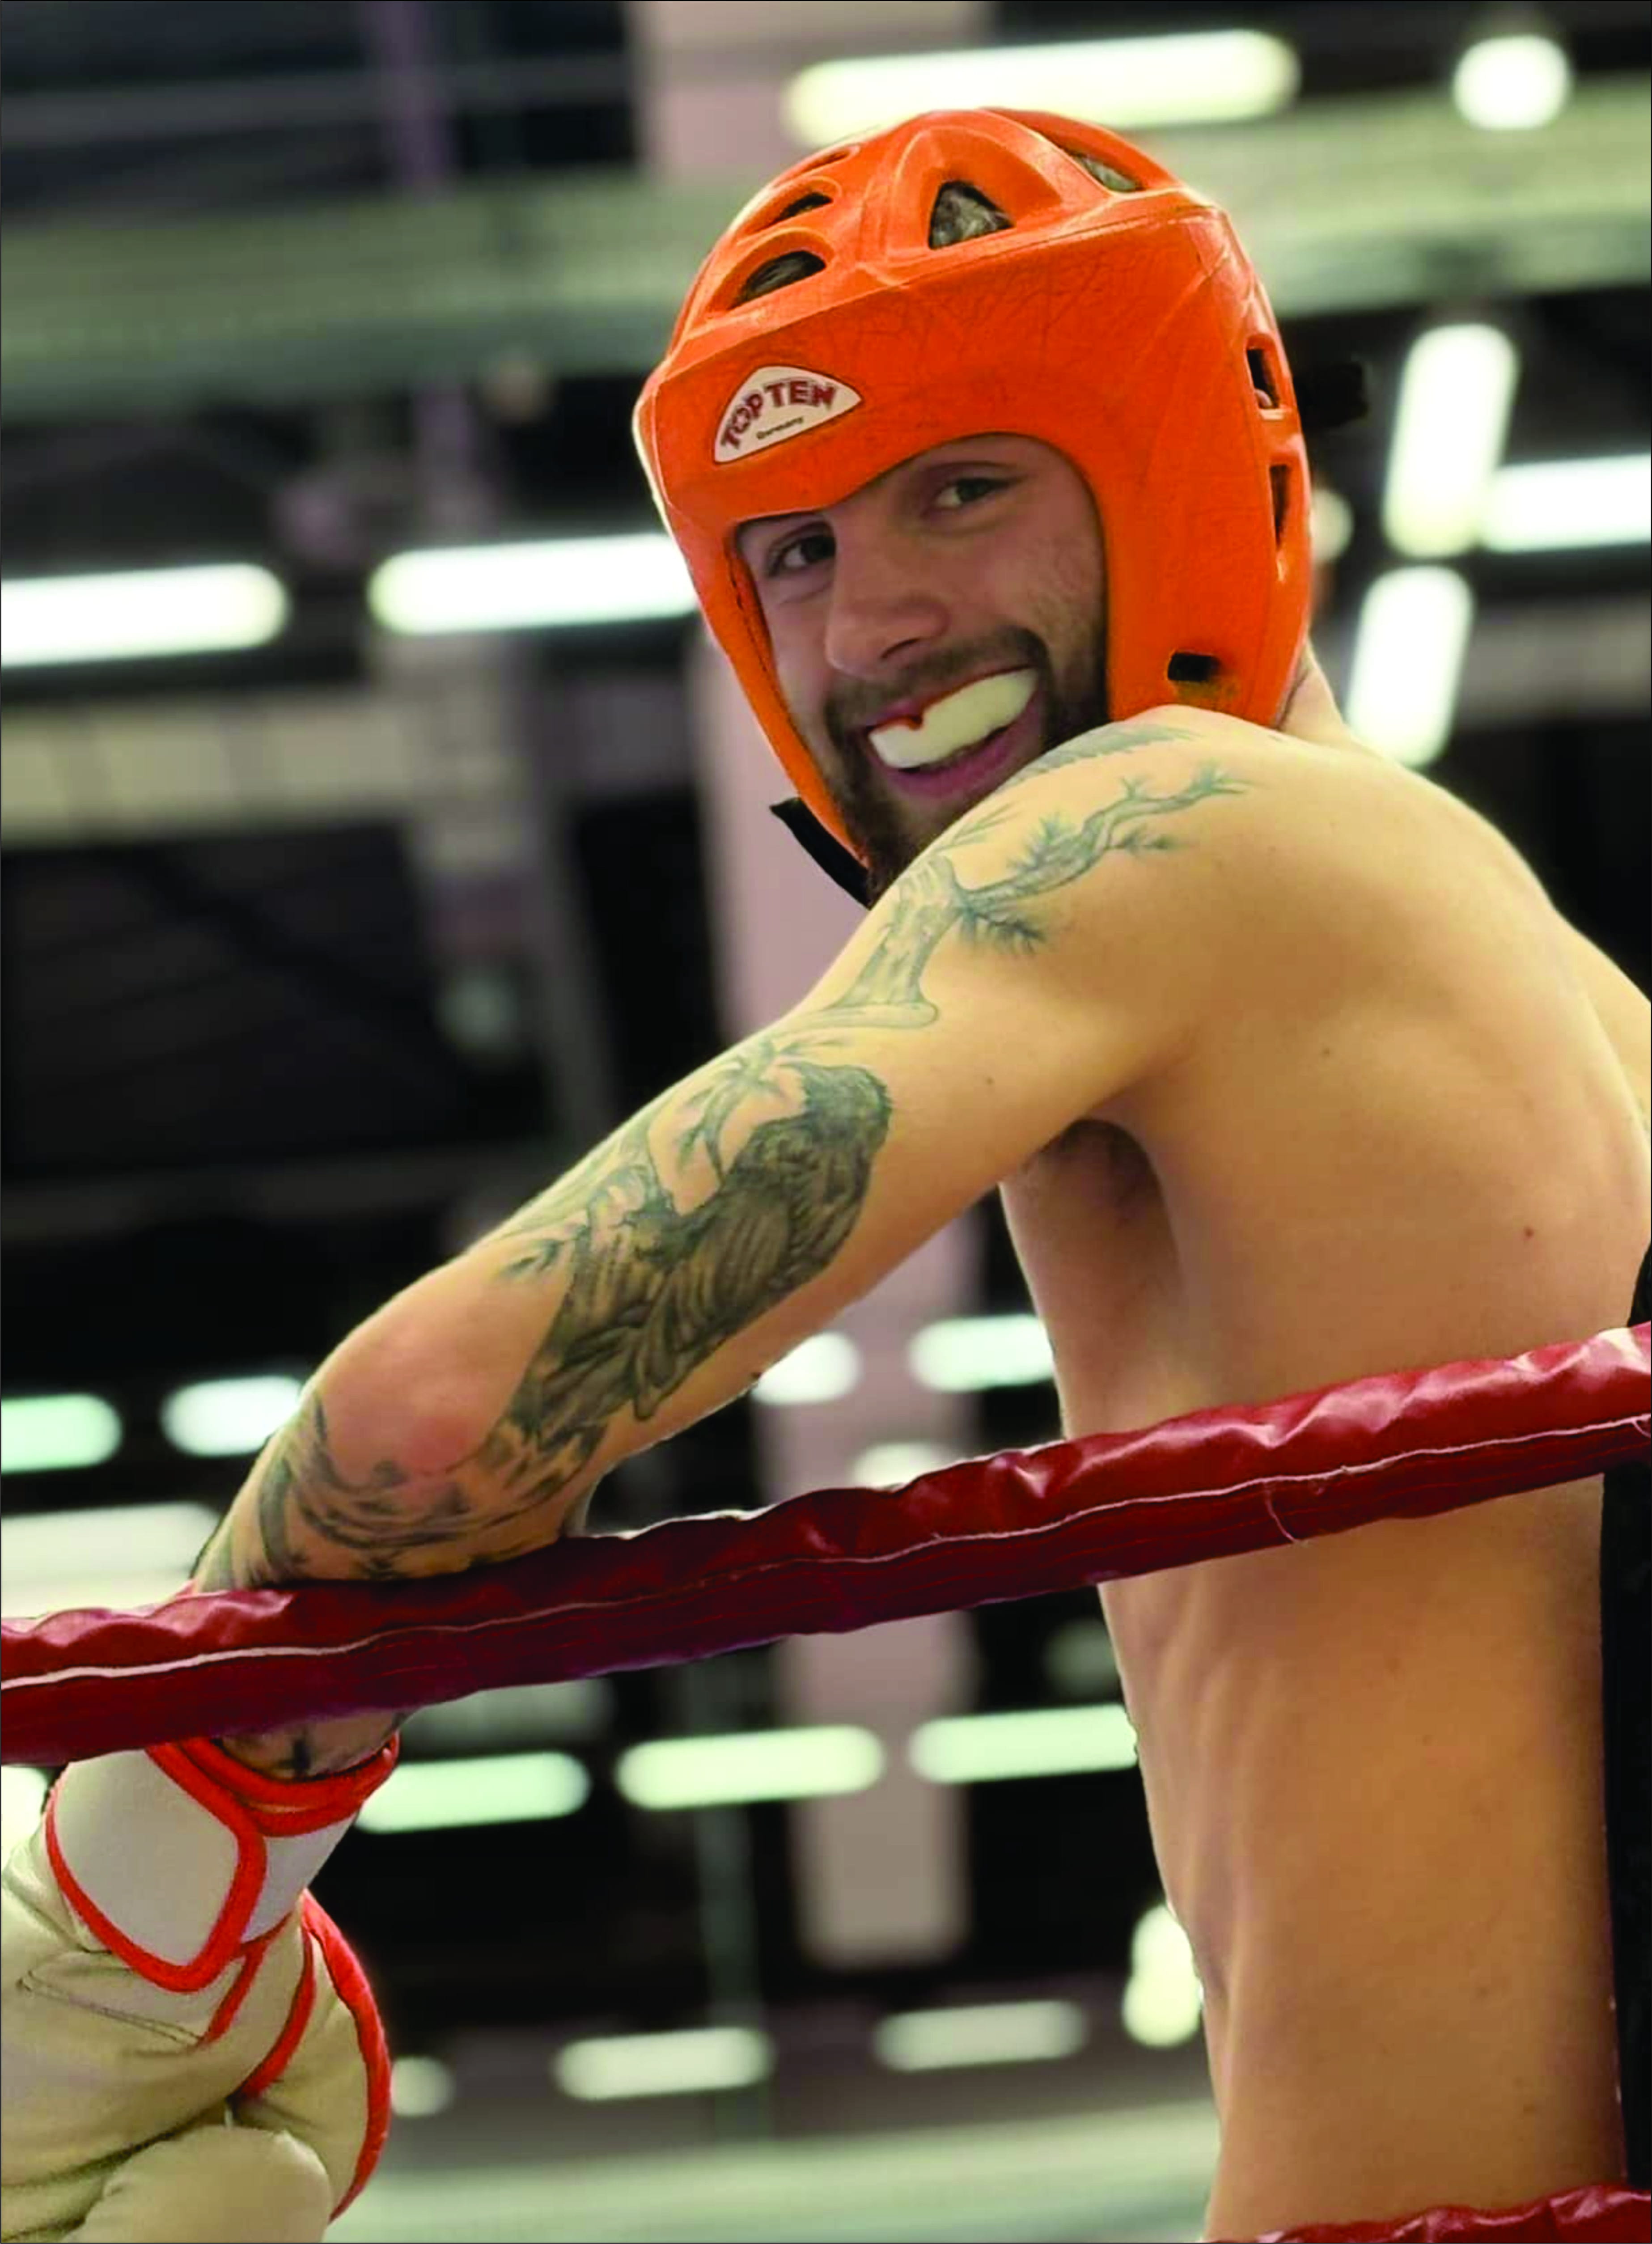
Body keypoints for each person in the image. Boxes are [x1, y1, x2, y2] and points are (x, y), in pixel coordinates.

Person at [4, 109, 1648, 2244]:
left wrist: (125, 1922)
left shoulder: (1172, 824)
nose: (874, 621)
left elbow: (437, 1419)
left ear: (1174, 465)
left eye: (959, 490)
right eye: (792, 551)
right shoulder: (1574, 1001)